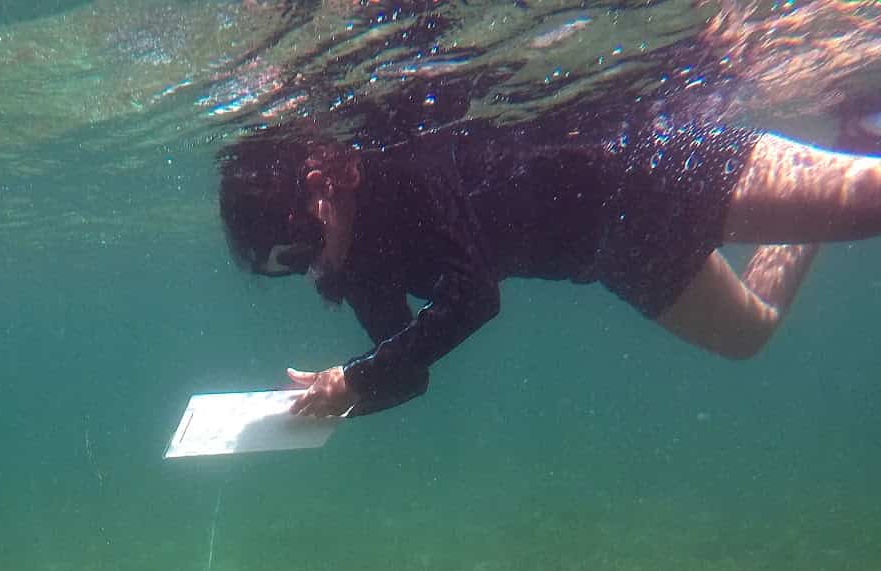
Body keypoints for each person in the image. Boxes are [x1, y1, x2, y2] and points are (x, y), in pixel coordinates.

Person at [218, 101, 881, 417]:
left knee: (870, 197)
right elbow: (407, 370)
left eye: (298, 251)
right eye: (287, 271)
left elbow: (475, 295)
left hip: (642, 173)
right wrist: (342, 396)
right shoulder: (355, 266)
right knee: (749, 333)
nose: (311, 270)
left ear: (321, 187)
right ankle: (853, 134)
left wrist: (359, 379)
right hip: (613, 253)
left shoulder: (400, 172)